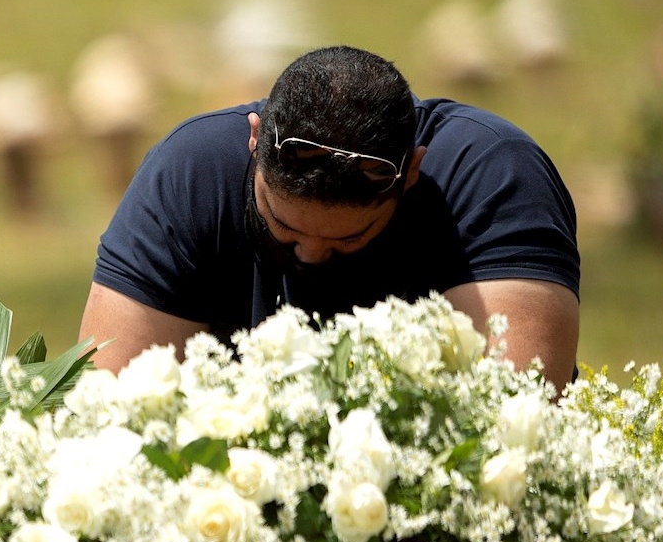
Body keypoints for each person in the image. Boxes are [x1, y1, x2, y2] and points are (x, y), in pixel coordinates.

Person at [80, 45, 580, 389]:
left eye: (348, 238)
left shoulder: (493, 174)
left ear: (411, 174)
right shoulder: (191, 171)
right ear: (254, 142)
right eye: (284, 229)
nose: (311, 256)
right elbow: (109, 409)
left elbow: (517, 419)